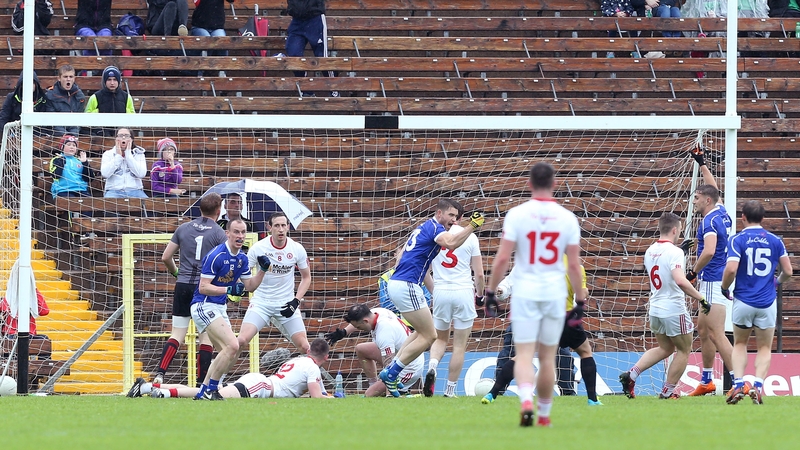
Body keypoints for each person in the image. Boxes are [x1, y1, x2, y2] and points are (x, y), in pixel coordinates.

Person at [483, 162, 583, 427]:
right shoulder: (567, 218)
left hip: (525, 292)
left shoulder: (517, 214)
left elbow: (503, 257)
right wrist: (580, 300)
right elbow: (574, 265)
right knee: (548, 357)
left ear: (529, 184)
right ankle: (545, 415)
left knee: (524, 354)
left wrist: (491, 292)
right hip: (553, 293)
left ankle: (526, 399)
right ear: (554, 184)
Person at [378, 200, 484, 398]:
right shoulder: (437, 229)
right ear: (439, 213)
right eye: (450, 215)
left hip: (408, 285)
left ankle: (394, 369)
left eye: (455, 216)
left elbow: (400, 257)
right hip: (411, 285)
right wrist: (473, 226)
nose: (452, 220)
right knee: (431, 336)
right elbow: (453, 244)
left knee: (422, 332)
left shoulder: (424, 227)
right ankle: (391, 374)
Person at [482, 256, 603, 406]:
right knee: (585, 352)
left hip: (540, 317)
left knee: (522, 356)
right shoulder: (575, 267)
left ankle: (491, 394)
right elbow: (581, 295)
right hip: (565, 317)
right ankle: (592, 399)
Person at [619, 213, 709, 399]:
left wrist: (680, 252)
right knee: (683, 350)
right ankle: (667, 393)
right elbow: (680, 281)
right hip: (674, 309)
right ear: (675, 230)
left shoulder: (650, 250)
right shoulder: (674, 252)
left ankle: (632, 374)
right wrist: (701, 298)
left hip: (656, 309)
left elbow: (663, 268)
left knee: (665, 348)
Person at [151, 193, 227, 386]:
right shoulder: (219, 233)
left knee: (177, 333)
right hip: (203, 289)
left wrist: (176, 273)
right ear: (219, 211)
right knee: (206, 337)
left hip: (183, 284)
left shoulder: (183, 228)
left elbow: (166, 257)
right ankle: (202, 384)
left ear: (199, 208)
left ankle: (160, 374)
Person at [723, 200, 793, 405]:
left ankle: (738, 385)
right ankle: (758, 386)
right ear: (763, 218)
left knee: (740, 343)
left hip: (743, 300)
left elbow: (731, 269)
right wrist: (776, 282)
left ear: (742, 217)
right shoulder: (775, 240)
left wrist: (725, 287)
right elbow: (788, 271)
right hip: (767, 301)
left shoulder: (737, 239)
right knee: (764, 348)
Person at [191, 218, 267, 400]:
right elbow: (203, 287)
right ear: (228, 233)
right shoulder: (216, 255)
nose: (240, 236)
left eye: (243, 232)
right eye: (236, 232)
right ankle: (212, 389)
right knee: (232, 345)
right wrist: (229, 289)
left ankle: (203, 391)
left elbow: (249, 286)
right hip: (203, 304)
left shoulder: (242, 259)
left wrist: (263, 270)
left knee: (234, 348)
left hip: (219, 307)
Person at [686, 145, 735, 396]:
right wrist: (702, 163)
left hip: (714, 280)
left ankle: (739, 382)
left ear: (705, 201)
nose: (692, 201)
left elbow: (709, 251)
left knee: (716, 333)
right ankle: (707, 381)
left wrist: (692, 272)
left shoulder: (709, 221)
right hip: (711, 282)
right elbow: (712, 188)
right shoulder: (720, 210)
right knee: (704, 331)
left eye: (695, 198)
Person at [128, 339, 331, 399]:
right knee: (211, 398)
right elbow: (317, 400)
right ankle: (160, 392)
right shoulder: (313, 369)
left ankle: (149, 388)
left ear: (309, 350)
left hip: (259, 382)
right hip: (260, 386)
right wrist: (333, 398)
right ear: (326, 357)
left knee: (204, 392)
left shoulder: (299, 360)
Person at [425, 204, 484, 398]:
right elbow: (480, 274)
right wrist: (480, 295)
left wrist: (435, 291)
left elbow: (424, 270)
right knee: (459, 345)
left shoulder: (436, 235)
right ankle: (450, 390)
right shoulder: (471, 237)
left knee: (440, 338)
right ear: (461, 217)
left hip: (441, 290)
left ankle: (432, 366)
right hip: (463, 291)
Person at [237, 212, 312, 360]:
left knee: (305, 347)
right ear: (269, 227)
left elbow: (306, 277)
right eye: (276, 225)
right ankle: (216, 380)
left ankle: (316, 382)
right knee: (241, 341)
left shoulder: (297, 249)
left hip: (286, 303)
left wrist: (296, 301)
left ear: (288, 227)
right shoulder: (258, 248)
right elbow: (243, 274)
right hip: (261, 303)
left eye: (283, 225)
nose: (281, 229)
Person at [325, 304, 424, 397]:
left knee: (369, 395)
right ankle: (373, 384)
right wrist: (344, 332)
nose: (358, 329)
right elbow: (357, 322)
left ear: (366, 321)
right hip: (398, 353)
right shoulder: (377, 312)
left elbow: (389, 366)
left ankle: (400, 392)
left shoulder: (384, 333)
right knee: (361, 349)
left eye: (359, 327)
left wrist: (388, 394)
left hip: (409, 367)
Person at [285, 0, 338, 97]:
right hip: (297, 20)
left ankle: (334, 89)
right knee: (293, 54)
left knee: (322, 57)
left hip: (315, 18)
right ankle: (306, 89)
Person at [100, 127, 148, 199]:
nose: (123, 138)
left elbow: (141, 174)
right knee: (107, 206)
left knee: (149, 206)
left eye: (126, 136)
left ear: (131, 139)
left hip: (135, 190)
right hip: (113, 191)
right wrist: (118, 157)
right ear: (116, 139)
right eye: (120, 135)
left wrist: (128, 155)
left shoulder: (139, 154)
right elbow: (105, 174)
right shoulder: (108, 154)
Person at [49, 134, 97, 199]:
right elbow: (55, 175)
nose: (72, 147)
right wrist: (61, 162)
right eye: (68, 145)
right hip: (63, 190)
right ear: (62, 147)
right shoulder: (56, 159)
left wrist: (85, 163)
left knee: (91, 204)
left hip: (81, 190)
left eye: (74, 145)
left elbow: (90, 178)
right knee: (72, 203)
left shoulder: (79, 160)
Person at [44, 65, 86, 136]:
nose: (68, 79)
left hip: (74, 134)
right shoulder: (50, 95)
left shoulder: (80, 96)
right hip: (56, 135)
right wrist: (65, 136)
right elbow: (52, 121)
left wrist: (72, 136)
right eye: (65, 77)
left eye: (71, 77)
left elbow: (79, 120)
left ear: (74, 78)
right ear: (59, 78)